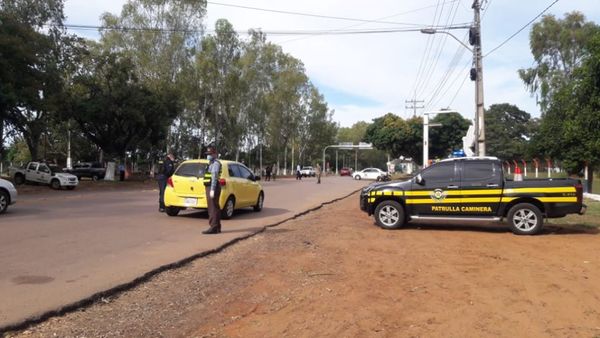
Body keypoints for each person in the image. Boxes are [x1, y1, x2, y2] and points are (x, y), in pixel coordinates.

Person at [202, 146, 222, 234]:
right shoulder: (211, 163)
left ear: (214, 154)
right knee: (215, 207)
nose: (208, 156)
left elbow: (214, 177)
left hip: (212, 186)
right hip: (210, 186)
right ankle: (217, 227)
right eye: (207, 154)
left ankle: (213, 227)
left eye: (210, 154)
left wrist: (212, 189)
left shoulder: (215, 163)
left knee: (212, 208)